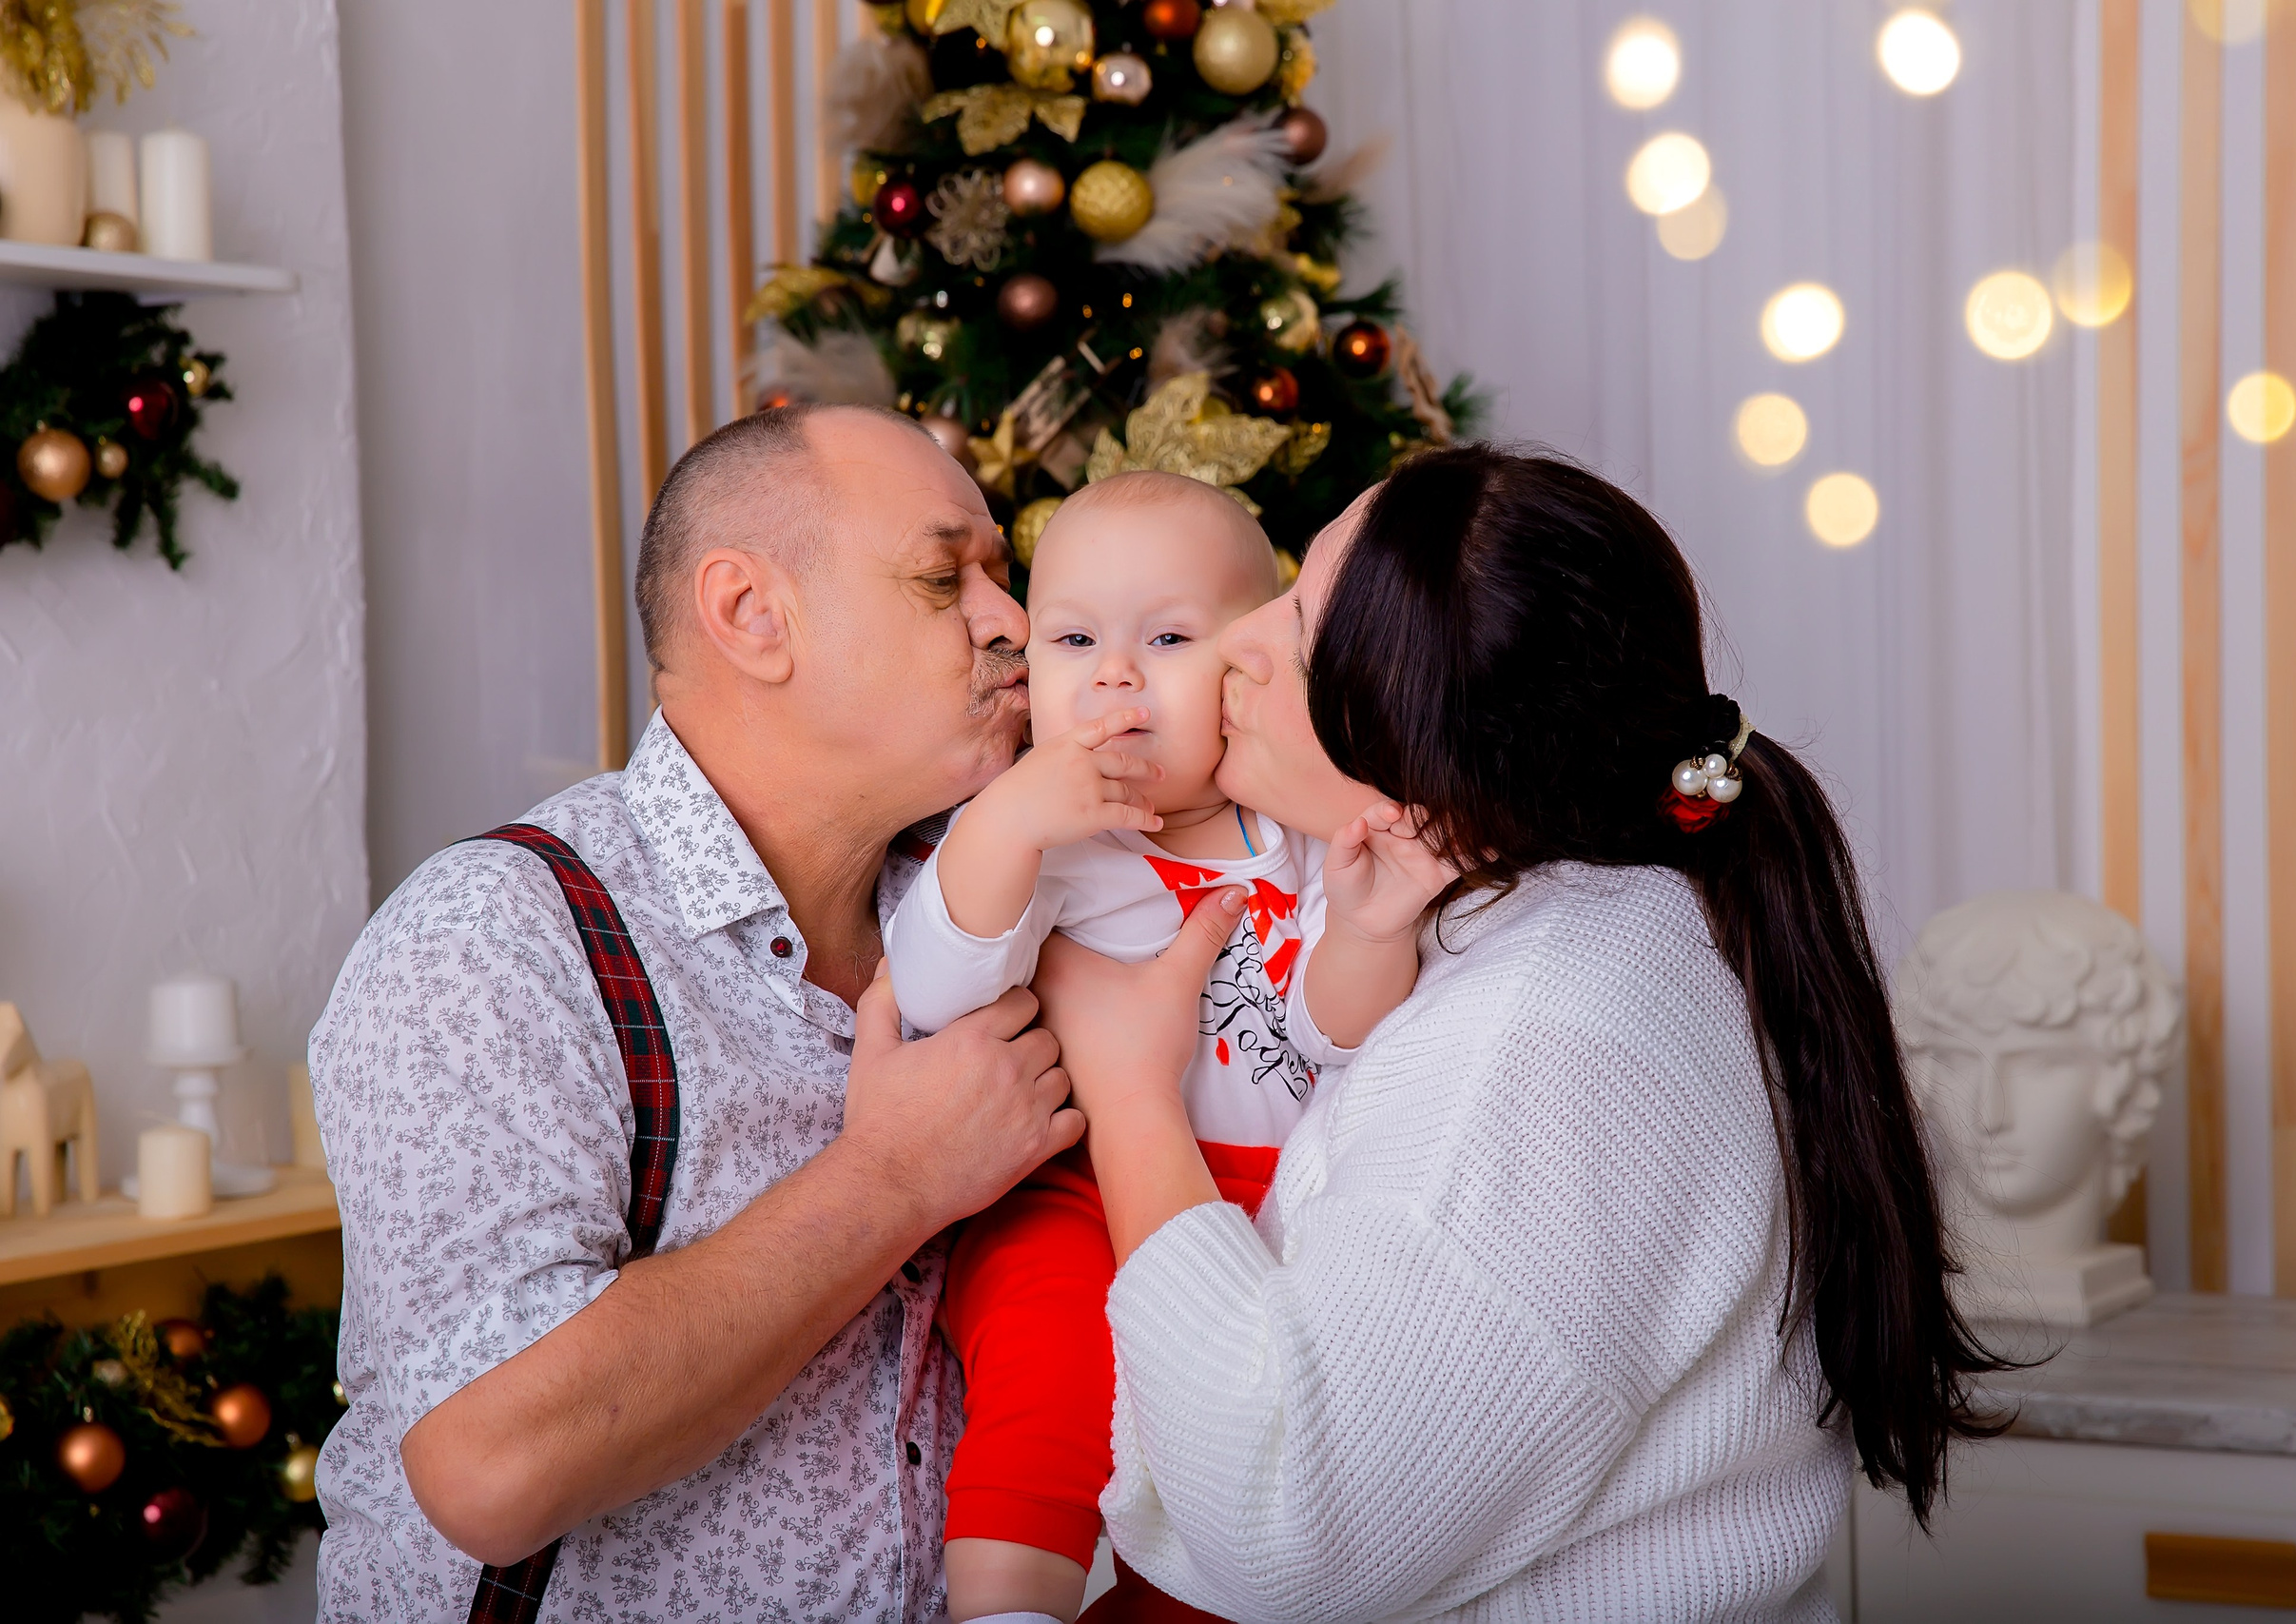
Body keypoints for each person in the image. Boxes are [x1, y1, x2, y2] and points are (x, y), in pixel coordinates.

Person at [1029, 446, 2005, 1621]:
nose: (1235, 641)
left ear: (1417, 773)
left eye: (1294, 631)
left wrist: (1128, 1090)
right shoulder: (1613, 921)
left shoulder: (1544, 1048)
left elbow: (1286, 1532)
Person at [309, 404, 1082, 1621]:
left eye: (1001, 572)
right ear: (749, 616)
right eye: (947, 577)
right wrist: (895, 1178)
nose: (1013, 622)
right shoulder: (498, 935)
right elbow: (492, 1465)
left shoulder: (1018, 909)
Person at [881, 471, 1448, 1624]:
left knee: (1248, 1438)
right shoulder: (1045, 843)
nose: (1115, 675)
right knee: (1051, 1370)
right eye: (1074, 637)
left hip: (1274, 1199)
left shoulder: (1299, 836)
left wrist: (1373, 926)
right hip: (1078, 1189)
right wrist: (1011, 820)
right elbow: (939, 986)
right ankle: (1004, 1607)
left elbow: (1331, 1035)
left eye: (1170, 638)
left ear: (1246, 672)